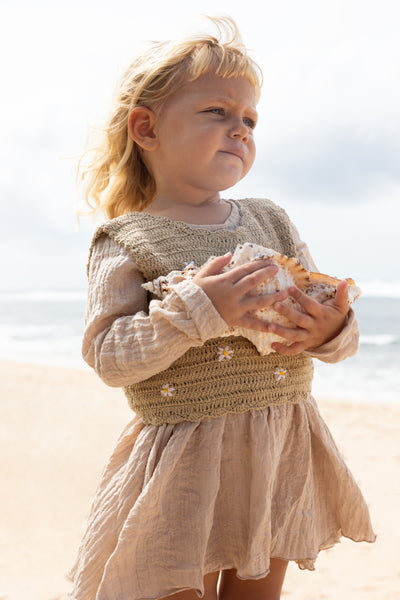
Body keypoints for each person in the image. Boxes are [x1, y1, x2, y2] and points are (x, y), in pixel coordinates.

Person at [69, 16, 375, 600]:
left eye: (250, 120)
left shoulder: (270, 219)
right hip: (185, 452)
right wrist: (200, 310)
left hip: (280, 444)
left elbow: (327, 314)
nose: (240, 130)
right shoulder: (129, 238)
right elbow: (109, 355)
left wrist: (332, 328)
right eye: (218, 111)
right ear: (147, 128)